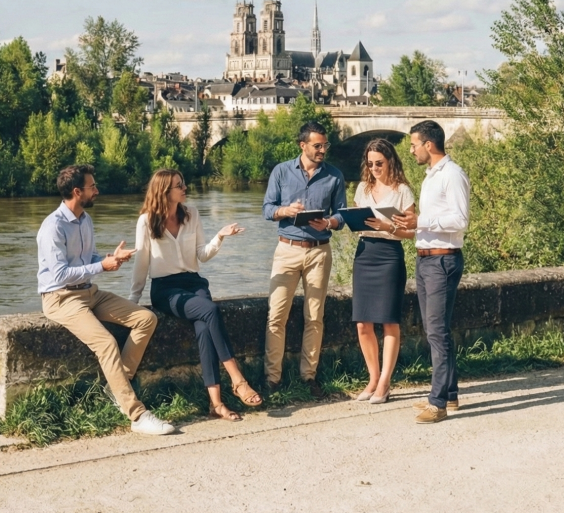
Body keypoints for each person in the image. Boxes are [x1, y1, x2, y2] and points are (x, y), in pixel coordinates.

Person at [36, 164, 174, 436]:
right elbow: (61, 274)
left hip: (89, 292)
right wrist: (103, 266)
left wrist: (111, 258)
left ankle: (116, 387)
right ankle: (136, 414)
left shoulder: (85, 219)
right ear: (77, 191)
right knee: (107, 343)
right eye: (92, 187)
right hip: (61, 298)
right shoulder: (53, 227)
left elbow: (88, 260)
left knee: (146, 319)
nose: (97, 191)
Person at [130, 169, 263, 421]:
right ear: (164, 192)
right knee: (210, 310)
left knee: (204, 328)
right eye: (179, 186)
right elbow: (141, 265)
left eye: (183, 184)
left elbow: (201, 254)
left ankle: (216, 404)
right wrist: (132, 303)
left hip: (194, 283)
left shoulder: (191, 214)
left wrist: (220, 237)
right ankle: (237, 378)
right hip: (165, 289)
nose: (185, 188)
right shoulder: (146, 221)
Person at [261, 121, 348, 398]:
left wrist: (331, 222)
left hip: (319, 251)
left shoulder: (334, 176)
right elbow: (266, 209)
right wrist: (286, 210)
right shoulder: (281, 171)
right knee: (276, 315)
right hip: (287, 249)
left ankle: (308, 377)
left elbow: (343, 213)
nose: (323, 150)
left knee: (315, 317)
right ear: (303, 145)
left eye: (325, 145)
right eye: (317, 145)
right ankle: (271, 379)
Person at [392, 121, 471, 424]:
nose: (410, 150)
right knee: (435, 330)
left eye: (413, 144)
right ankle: (450, 395)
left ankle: (436, 402)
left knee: (437, 332)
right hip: (426, 259)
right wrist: (410, 223)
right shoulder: (431, 177)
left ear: (429, 144)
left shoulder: (452, 175)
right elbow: (431, 219)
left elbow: (460, 220)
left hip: (442, 261)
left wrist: (421, 222)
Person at [350, 138, 416, 405]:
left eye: (379, 163)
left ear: (390, 161)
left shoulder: (403, 191)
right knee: (363, 322)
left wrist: (385, 226)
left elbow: (411, 232)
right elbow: (355, 219)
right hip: (364, 254)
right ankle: (373, 378)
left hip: (389, 256)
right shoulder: (362, 189)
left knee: (389, 320)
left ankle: (386, 382)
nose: (375, 168)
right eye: (370, 164)